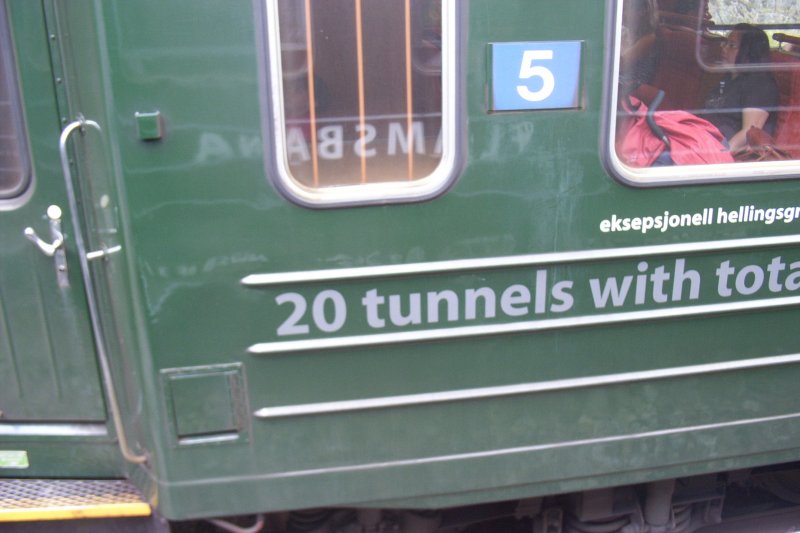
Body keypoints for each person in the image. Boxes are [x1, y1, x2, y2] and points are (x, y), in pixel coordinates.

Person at [702, 23, 779, 151]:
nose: (724, 48)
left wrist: (719, 157)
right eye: (725, 43)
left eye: (731, 45)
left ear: (748, 52)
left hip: (719, 150)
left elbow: (748, 133)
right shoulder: (729, 79)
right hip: (703, 139)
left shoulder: (760, 84)